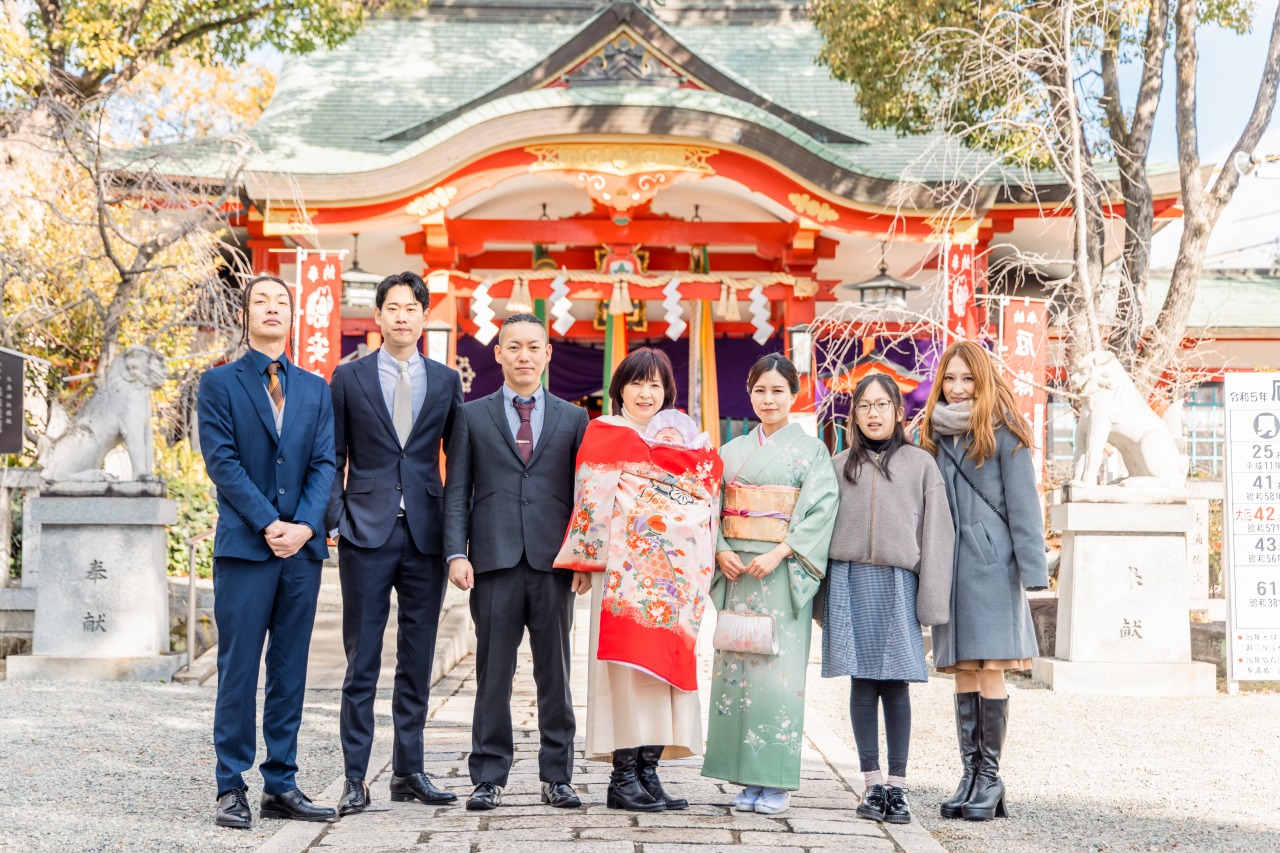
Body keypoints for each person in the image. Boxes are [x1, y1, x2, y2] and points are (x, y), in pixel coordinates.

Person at [554, 347, 722, 813]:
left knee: (663, 673)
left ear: (667, 392)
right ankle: (622, 777)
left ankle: (649, 772)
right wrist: (586, 562)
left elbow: (704, 496)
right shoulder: (605, 433)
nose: (645, 393)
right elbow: (589, 501)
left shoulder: (684, 439)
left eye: (655, 385)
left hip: (674, 581)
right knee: (626, 675)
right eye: (636, 383)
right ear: (619, 390)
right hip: (624, 582)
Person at [197, 275, 337, 829]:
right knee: (238, 669)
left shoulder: (315, 389)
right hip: (245, 549)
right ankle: (230, 785)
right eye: (261, 301)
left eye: (281, 302)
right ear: (245, 314)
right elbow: (222, 462)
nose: (272, 308)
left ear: (293, 315)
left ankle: (281, 783)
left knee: (289, 669)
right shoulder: (218, 383)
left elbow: (325, 463)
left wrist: (303, 526)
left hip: (300, 553)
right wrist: (269, 523)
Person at [324, 272, 463, 815]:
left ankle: (409, 771)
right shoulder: (349, 377)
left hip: (425, 534)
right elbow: (332, 454)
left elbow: (460, 463)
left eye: (411, 308)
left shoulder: (446, 381)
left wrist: (457, 538)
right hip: (365, 531)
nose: (402, 316)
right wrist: (336, 517)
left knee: (417, 657)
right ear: (378, 315)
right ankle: (355, 777)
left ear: (425, 316)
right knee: (362, 659)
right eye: (393, 307)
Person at [444, 314, 589, 812]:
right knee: (493, 674)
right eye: (513, 346)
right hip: (494, 560)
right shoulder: (471, 415)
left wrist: (584, 559)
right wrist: (456, 552)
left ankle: (558, 776)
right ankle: (488, 776)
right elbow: (457, 489)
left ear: (547, 353)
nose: (523, 355)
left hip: (554, 565)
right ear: (499, 353)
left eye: (533, 347)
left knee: (556, 674)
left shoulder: (574, 419)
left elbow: (584, 497)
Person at [702, 353, 839, 816]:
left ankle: (775, 781)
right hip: (736, 571)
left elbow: (820, 510)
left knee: (777, 675)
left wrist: (780, 552)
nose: (768, 399)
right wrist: (719, 547)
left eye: (778, 390)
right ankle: (744, 778)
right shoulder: (731, 452)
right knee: (735, 671)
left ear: (794, 395)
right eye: (760, 390)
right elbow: (709, 506)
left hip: (781, 572)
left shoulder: (811, 451)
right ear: (749, 393)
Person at [919, 340, 1048, 822]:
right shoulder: (932, 433)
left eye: (967, 379)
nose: (957, 388)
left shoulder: (1005, 432)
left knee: (989, 667)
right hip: (949, 568)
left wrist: (1034, 573)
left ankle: (990, 778)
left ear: (983, 381)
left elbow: (1024, 506)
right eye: (950, 379)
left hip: (991, 567)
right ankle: (971, 775)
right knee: (962, 669)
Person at [825, 373, 954, 826]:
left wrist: (932, 601)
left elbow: (937, 535)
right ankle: (872, 782)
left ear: (899, 412)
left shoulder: (921, 465)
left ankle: (898, 786)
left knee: (896, 683)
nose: (873, 414)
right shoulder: (839, 466)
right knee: (862, 682)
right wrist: (819, 598)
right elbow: (818, 532)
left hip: (900, 583)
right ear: (854, 415)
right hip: (850, 579)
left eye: (882, 405)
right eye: (864, 406)